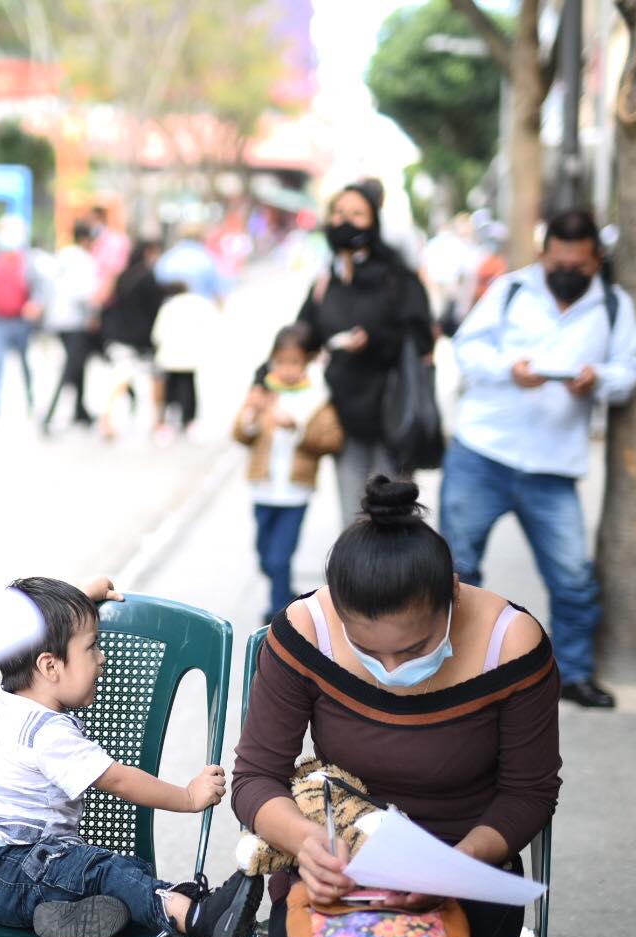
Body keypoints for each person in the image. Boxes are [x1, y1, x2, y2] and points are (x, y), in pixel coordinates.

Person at [232, 477, 560, 937]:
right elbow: (255, 778)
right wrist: (309, 846)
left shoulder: (509, 644)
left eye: (413, 649)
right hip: (336, 865)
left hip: (465, 867)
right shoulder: (306, 631)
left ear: (451, 596)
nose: (391, 669)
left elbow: (530, 792)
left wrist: (448, 868)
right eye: (369, 650)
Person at [0, 576, 262, 937]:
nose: (102, 657)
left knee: (113, 875)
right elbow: (119, 780)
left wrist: (80, 604)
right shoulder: (48, 735)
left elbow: (32, 638)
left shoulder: (13, 700)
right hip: (17, 869)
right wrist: (188, 796)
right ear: (50, 666)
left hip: (1, 875)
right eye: (93, 647)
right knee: (105, 870)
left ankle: (55, 915)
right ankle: (196, 916)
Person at [442, 208, 636, 710]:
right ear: (543, 255)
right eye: (558, 261)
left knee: (573, 577)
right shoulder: (510, 291)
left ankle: (574, 674)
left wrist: (598, 379)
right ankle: (458, 674)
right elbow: (466, 349)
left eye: (578, 262)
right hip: (483, 451)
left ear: (597, 260)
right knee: (456, 572)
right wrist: (512, 370)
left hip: (554, 464)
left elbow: (629, 374)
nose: (567, 270)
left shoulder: (614, 306)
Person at [294, 182, 433, 519]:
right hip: (345, 415)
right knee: (353, 522)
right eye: (339, 213)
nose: (346, 221)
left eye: (357, 214)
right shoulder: (326, 280)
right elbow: (302, 336)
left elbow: (422, 338)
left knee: (392, 522)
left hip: (392, 412)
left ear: (374, 222)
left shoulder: (398, 278)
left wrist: (374, 340)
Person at [233, 323, 342, 624]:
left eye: (294, 362)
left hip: (295, 493)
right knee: (265, 556)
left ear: (307, 361)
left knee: (280, 557)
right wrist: (251, 413)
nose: (286, 369)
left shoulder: (317, 398)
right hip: (263, 490)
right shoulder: (263, 393)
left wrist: (298, 428)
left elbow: (331, 439)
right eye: (280, 362)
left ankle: (278, 614)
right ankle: (285, 592)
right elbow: (241, 434)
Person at [98, 239, 166, 439]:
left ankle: (106, 420)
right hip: (141, 339)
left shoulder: (123, 276)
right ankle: (158, 423)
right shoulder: (147, 277)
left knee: (119, 378)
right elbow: (155, 308)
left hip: (120, 336)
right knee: (155, 379)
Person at [40, 219, 100, 433]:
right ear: (86, 239)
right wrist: (93, 313)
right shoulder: (85, 260)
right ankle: (48, 415)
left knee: (78, 364)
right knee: (70, 368)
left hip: (57, 320)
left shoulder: (62, 255)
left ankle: (80, 411)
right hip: (75, 321)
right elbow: (84, 293)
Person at [0, 214, 43, 423]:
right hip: (0, 321)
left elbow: (37, 290)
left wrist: (34, 306)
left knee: (25, 364)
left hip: (20, 322)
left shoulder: (27, 263)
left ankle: (31, 401)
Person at [150, 282, 219, 439]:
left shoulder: (168, 307)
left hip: (170, 355)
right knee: (189, 386)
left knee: (172, 387)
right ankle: (189, 419)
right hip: (191, 355)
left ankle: (171, 418)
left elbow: (157, 334)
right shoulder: (199, 303)